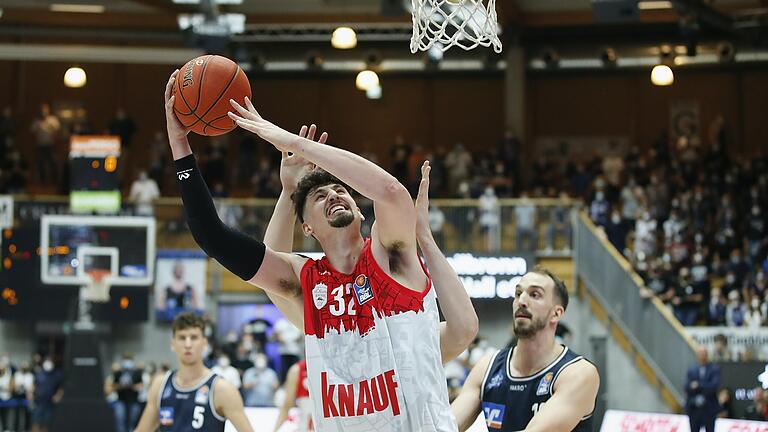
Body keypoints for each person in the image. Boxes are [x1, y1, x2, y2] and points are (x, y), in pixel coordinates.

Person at [163, 68, 477, 431]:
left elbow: (391, 193)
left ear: (361, 209)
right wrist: (180, 144)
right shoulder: (308, 285)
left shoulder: (390, 255)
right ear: (307, 228)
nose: (333, 194)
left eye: (340, 190)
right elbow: (212, 236)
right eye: (318, 196)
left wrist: (295, 143)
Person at [451, 269, 600, 431]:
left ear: (556, 314)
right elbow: (446, 427)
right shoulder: (487, 367)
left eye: (535, 294)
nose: (521, 301)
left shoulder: (579, 373)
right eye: (518, 293)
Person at [135, 312, 253, 432]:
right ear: (172, 344)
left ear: (205, 343)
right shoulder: (160, 385)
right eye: (182, 338)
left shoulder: (221, 388)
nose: (188, 344)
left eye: (194, 337)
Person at [685, 347, 720, 432]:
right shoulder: (692, 369)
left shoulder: (714, 369)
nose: (702, 356)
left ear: (707, 355)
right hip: (694, 409)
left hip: (709, 409)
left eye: (704, 354)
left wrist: (698, 385)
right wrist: (702, 387)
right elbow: (686, 386)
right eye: (700, 354)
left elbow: (714, 386)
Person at [274, 360, 313, 432]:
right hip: (306, 425)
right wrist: (275, 430)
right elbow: (287, 405)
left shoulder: (330, 367)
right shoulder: (297, 370)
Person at [111, 353, 144, 432]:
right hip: (121, 400)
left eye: (129, 360)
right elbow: (113, 386)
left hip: (134, 400)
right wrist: (122, 386)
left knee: (133, 421)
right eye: (126, 359)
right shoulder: (118, 372)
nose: (127, 362)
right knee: (120, 420)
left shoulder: (136, 372)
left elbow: (141, 386)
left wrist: (131, 385)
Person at [31, 357, 63, 432]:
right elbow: (33, 385)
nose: (48, 364)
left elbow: (61, 387)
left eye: (50, 362)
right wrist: (31, 394)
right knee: (36, 422)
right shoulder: (39, 373)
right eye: (47, 361)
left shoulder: (57, 375)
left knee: (47, 423)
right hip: (38, 402)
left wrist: (58, 396)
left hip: (49, 403)